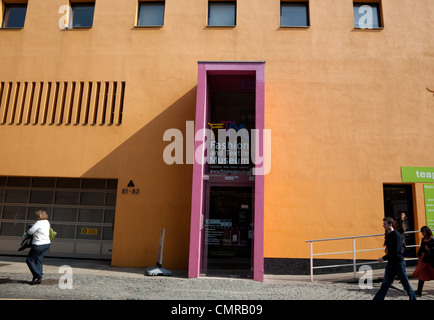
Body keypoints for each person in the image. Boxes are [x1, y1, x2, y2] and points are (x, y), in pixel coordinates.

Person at [373, 217, 417, 300]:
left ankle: (413, 299)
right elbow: (390, 251)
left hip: (398, 264)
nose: (383, 225)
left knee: (406, 284)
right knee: (385, 284)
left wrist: (384, 258)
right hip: (391, 264)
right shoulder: (388, 235)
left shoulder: (397, 235)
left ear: (390, 224)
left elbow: (396, 251)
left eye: (384, 224)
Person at [25, 210, 51, 285]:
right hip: (46, 244)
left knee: (29, 260)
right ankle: (37, 277)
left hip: (38, 244)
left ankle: (38, 276)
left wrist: (30, 228)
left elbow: (30, 232)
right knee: (38, 260)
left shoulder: (38, 223)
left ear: (39, 216)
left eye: (37, 215)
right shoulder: (47, 222)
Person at [413, 226, 434, 297]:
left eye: (424, 232)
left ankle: (419, 291)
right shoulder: (423, 239)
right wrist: (418, 254)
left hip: (431, 260)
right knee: (421, 274)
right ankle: (419, 291)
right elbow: (421, 247)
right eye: (422, 232)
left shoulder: (432, 239)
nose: (423, 234)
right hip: (424, 259)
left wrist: (429, 249)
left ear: (428, 231)